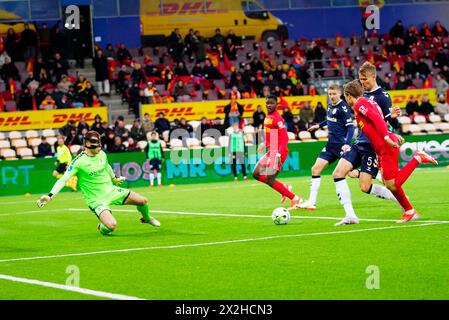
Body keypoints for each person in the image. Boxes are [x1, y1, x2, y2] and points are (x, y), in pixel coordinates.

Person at [339, 80, 437, 225]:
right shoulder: (367, 102)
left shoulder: (360, 103)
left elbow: (376, 119)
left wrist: (386, 136)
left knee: (392, 184)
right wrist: (388, 136)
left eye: (345, 97)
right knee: (388, 182)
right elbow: (377, 122)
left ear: (348, 95)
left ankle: (418, 157)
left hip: (386, 145)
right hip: (382, 147)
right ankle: (409, 211)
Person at [37, 131, 160, 236]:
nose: (100, 148)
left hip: (111, 191)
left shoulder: (101, 154)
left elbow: (107, 166)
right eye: (97, 145)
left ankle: (147, 218)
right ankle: (101, 227)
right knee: (111, 226)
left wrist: (114, 178)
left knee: (143, 200)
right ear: (88, 144)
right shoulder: (78, 162)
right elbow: (63, 179)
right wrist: (50, 195)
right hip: (96, 200)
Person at [333, 62, 402, 226]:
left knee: (366, 186)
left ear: (373, 76)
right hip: (359, 143)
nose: (362, 82)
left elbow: (383, 121)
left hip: (373, 146)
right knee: (338, 173)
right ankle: (350, 215)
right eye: (360, 79)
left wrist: (389, 130)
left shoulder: (382, 96)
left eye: (364, 79)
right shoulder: (361, 96)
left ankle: (399, 200)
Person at [299, 85, 354, 210]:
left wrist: (347, 143)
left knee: (351, 173)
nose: (332, 96)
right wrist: (318, 125)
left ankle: (373, 175)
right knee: (315, 169)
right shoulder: (330, 106)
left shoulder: (343, 107)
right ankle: (311, 202)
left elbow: (350, 127)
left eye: (334, 93)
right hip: (330, 146)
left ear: (340, 94)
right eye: (330, 94)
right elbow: (329, 120)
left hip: (341, 145)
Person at [252, 95, 302, 210]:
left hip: (279, 151)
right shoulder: (268, 116)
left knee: (270, 179)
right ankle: (284, 187)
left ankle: (295, 199)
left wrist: (278, 154)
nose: (269, 105)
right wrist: (264, 143)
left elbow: (285, 138)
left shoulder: (278, 118)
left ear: (276, 104)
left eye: (271, 103)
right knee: (256, 174)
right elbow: (272, 134)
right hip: (271, 149)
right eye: (267, 103)